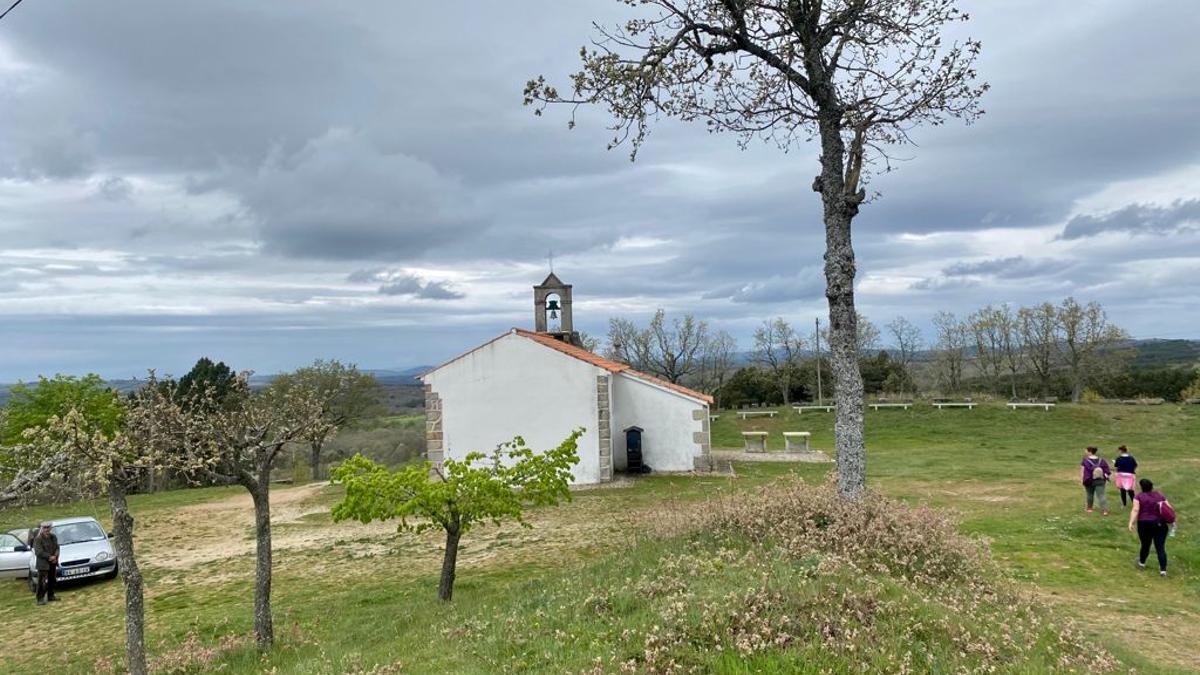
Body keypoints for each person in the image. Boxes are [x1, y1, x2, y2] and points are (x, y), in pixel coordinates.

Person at [1128, 478, 1171, 577]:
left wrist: (1131, 522)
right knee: (1160, 547)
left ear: (1141, 487)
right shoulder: (1159, 495)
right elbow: (1168, 508)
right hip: (1160, 524)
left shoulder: (1139, 497)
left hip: (1144, 524)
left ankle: (1142, 563)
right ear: (1152, 486)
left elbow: (1135, 510)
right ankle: (1163, 570)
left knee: (1145, 544)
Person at [32, 522, 60, 605]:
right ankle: (39, 599)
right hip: (43, 564)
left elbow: (57, 547)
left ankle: (51, 595)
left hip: (53, 562)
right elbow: (38, 552)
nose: (46, 529)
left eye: (48, 527)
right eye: (44, 528)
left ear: (51, 528)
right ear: (42, 529)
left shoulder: (53, 537)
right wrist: (49, 557)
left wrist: (55, 556)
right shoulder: (38, 539)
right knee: (42, 582)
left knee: (52, 580)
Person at [1080, 447, 1111, 515]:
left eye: (1086, 451)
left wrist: (1082, 480)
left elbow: (1082, 471)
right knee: (1101, 495)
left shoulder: (1085, 461)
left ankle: (1089, 509)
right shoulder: (1102, 460)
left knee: (1090, 494)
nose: (1085, 452)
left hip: (1089, 480)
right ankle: (1104, 510)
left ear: (1090, 452)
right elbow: (1107, 471)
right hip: (1100, 480)